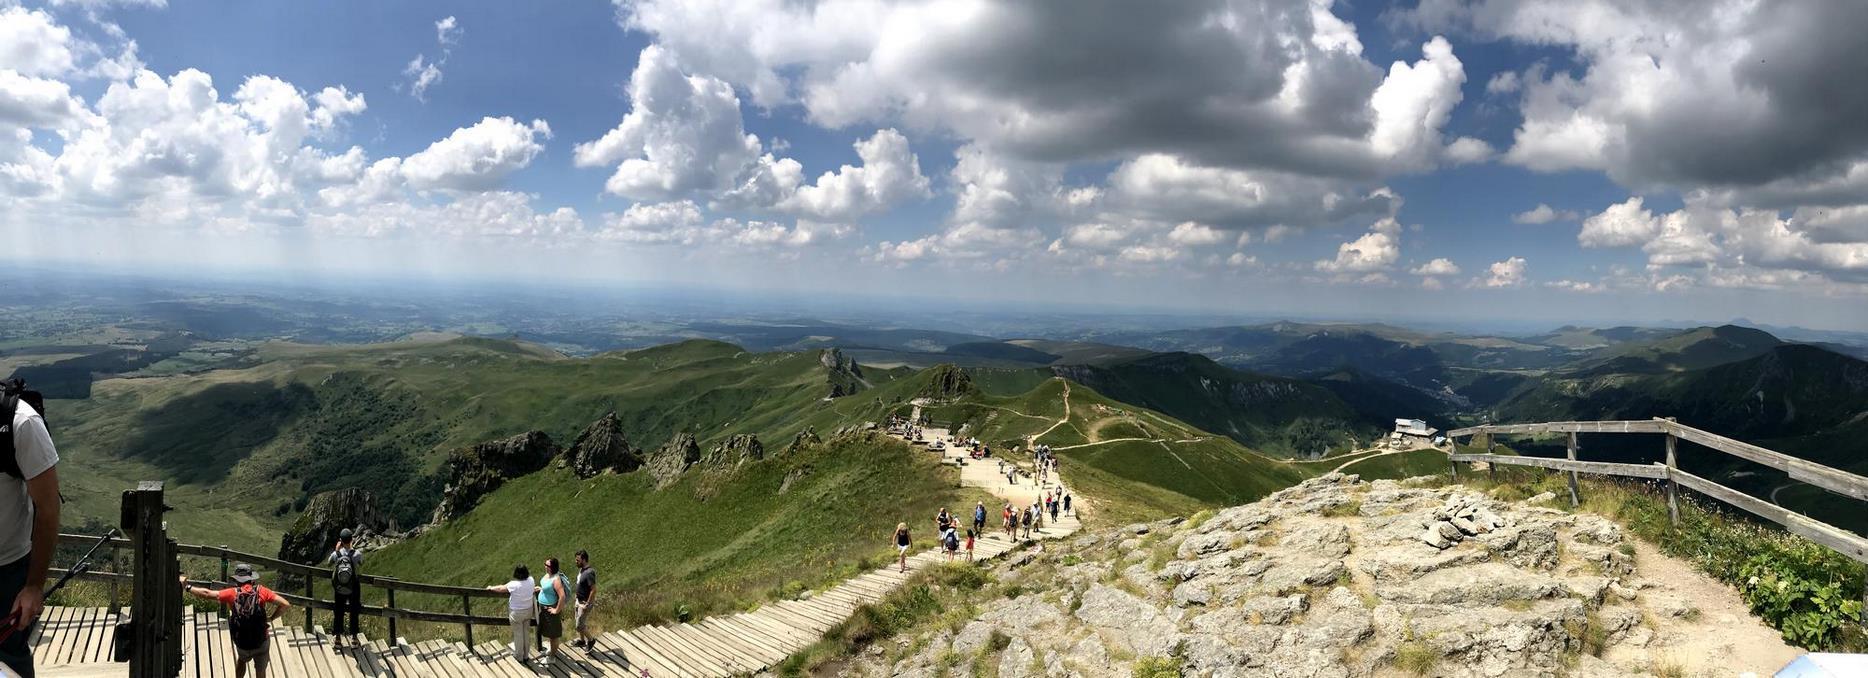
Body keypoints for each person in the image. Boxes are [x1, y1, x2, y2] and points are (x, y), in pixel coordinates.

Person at [2, 381, 59, 678]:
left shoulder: (21, 423)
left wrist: (34, 586)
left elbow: (48, 509)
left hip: (7, 574)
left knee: (8, 662)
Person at [182, 564, 290, 678]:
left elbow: (207, 594)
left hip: (242, 641)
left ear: (237, 580)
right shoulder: (262, 591)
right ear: (251, 578)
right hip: (261, 640)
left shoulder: (232, 593)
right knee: (261, 670)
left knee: (242, 660)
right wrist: (271, 618)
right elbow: (285, 604)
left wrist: (187, 587)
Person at [487, 565, 536, 663]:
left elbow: (501, 588)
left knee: (518, 635)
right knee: (526, 633)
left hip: (516, 613)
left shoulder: (514, 584)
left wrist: (491, 587)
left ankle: (519, 656)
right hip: (528, 610)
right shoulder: (531, 580)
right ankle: (526, 655)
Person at [327, 529, 363, 648]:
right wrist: (352, 549)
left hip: (339, 588)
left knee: (339, 611)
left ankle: (337, 639)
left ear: (341, 541)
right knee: (354, 611)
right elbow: (362, 562)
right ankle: (354, 639)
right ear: (351, 540)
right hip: (353, 587)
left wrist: (337, 550)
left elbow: (328, 563)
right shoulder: (356, 554)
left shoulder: (336, 554)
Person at [535, 557, 571, 665]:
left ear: (552, 567)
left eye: (547, 565)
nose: (545, 566)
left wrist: (556, 610)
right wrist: (541, 589)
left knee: (553, 635)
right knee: (549, 632)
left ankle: (552, 658)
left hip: (550, 609)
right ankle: (552, 650)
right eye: (545, 564)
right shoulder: (548, 575)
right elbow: (548, 588)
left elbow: (562, 596)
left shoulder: (556, 579)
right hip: (544, 608)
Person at [571, 550, 598, 649]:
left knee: (579, 625)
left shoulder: (589, 572)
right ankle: (582, 641)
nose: (576, 562)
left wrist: (587, 603)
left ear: (584, 560)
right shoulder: (582, 570)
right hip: (579, 601)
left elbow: (593, 590)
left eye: (578, 560)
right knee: (577, 621)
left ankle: (591, 640)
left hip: (584, 603)